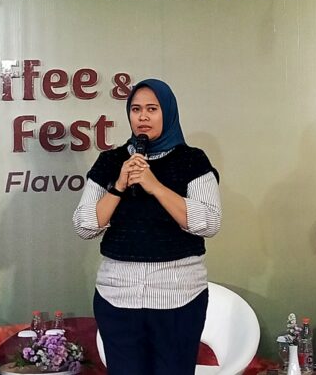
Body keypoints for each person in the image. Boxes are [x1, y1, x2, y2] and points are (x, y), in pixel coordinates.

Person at [73, 79, 221, 375]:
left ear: (168, 112)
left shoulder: (192, 160)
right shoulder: (110, 161)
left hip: (178, 296)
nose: (143, 117)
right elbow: (85, 225)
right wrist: (118, 186)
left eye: (152, 109)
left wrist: (156, 187)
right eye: (136, 109)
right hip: (118, 296)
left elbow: (209, 222)